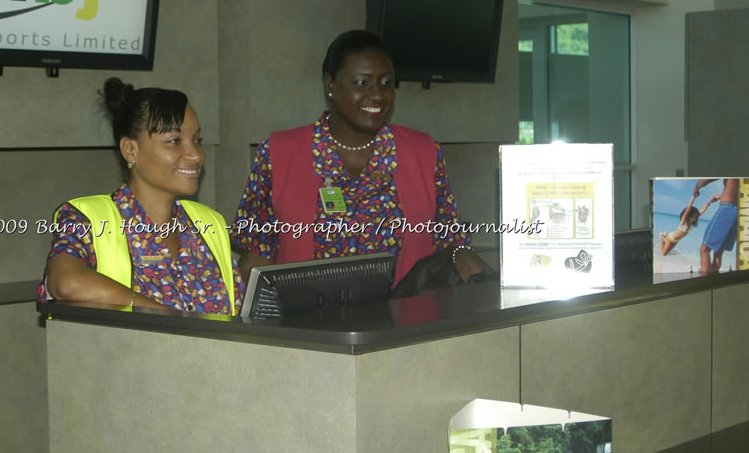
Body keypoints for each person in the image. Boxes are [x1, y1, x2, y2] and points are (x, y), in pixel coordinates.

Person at [231, 29, 487, 288]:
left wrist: (460, 254)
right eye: (362, 83)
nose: (377, 95)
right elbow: (256, 256)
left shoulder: (424, 152)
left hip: (406, 322)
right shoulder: (278, 153)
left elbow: (448, 241)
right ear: (330, 84)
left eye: (386, 82)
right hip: (304, 324)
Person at [37, 77, 243, 315]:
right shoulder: (85, 218)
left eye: (197, 140)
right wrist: (162, 314)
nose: (195, 154)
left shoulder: (210, 224)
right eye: (174, 141)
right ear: (130, 150)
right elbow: (66, 282)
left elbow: (237, 316)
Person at [696, 178, 740, 274]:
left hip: (726, 209)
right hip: (737, 213)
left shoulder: (731, 166)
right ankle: (713, 281)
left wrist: (697, 187)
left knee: (704, 249)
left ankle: (705, 284)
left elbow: (705, 180)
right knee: (718, 253)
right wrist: (721, 196)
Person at [658, 192, 718, 256]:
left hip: (677, 240)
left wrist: (710, 201)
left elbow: (703, 210)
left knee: (667, 252)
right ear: (689, 215)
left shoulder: (691, 224)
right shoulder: (684, 221)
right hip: (671, 237)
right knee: (664, 253)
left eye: (695, 217)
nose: (695, 218)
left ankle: (665, 235)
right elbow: (688, 208)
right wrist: (693, 197)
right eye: (693, 216)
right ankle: (661, 236)